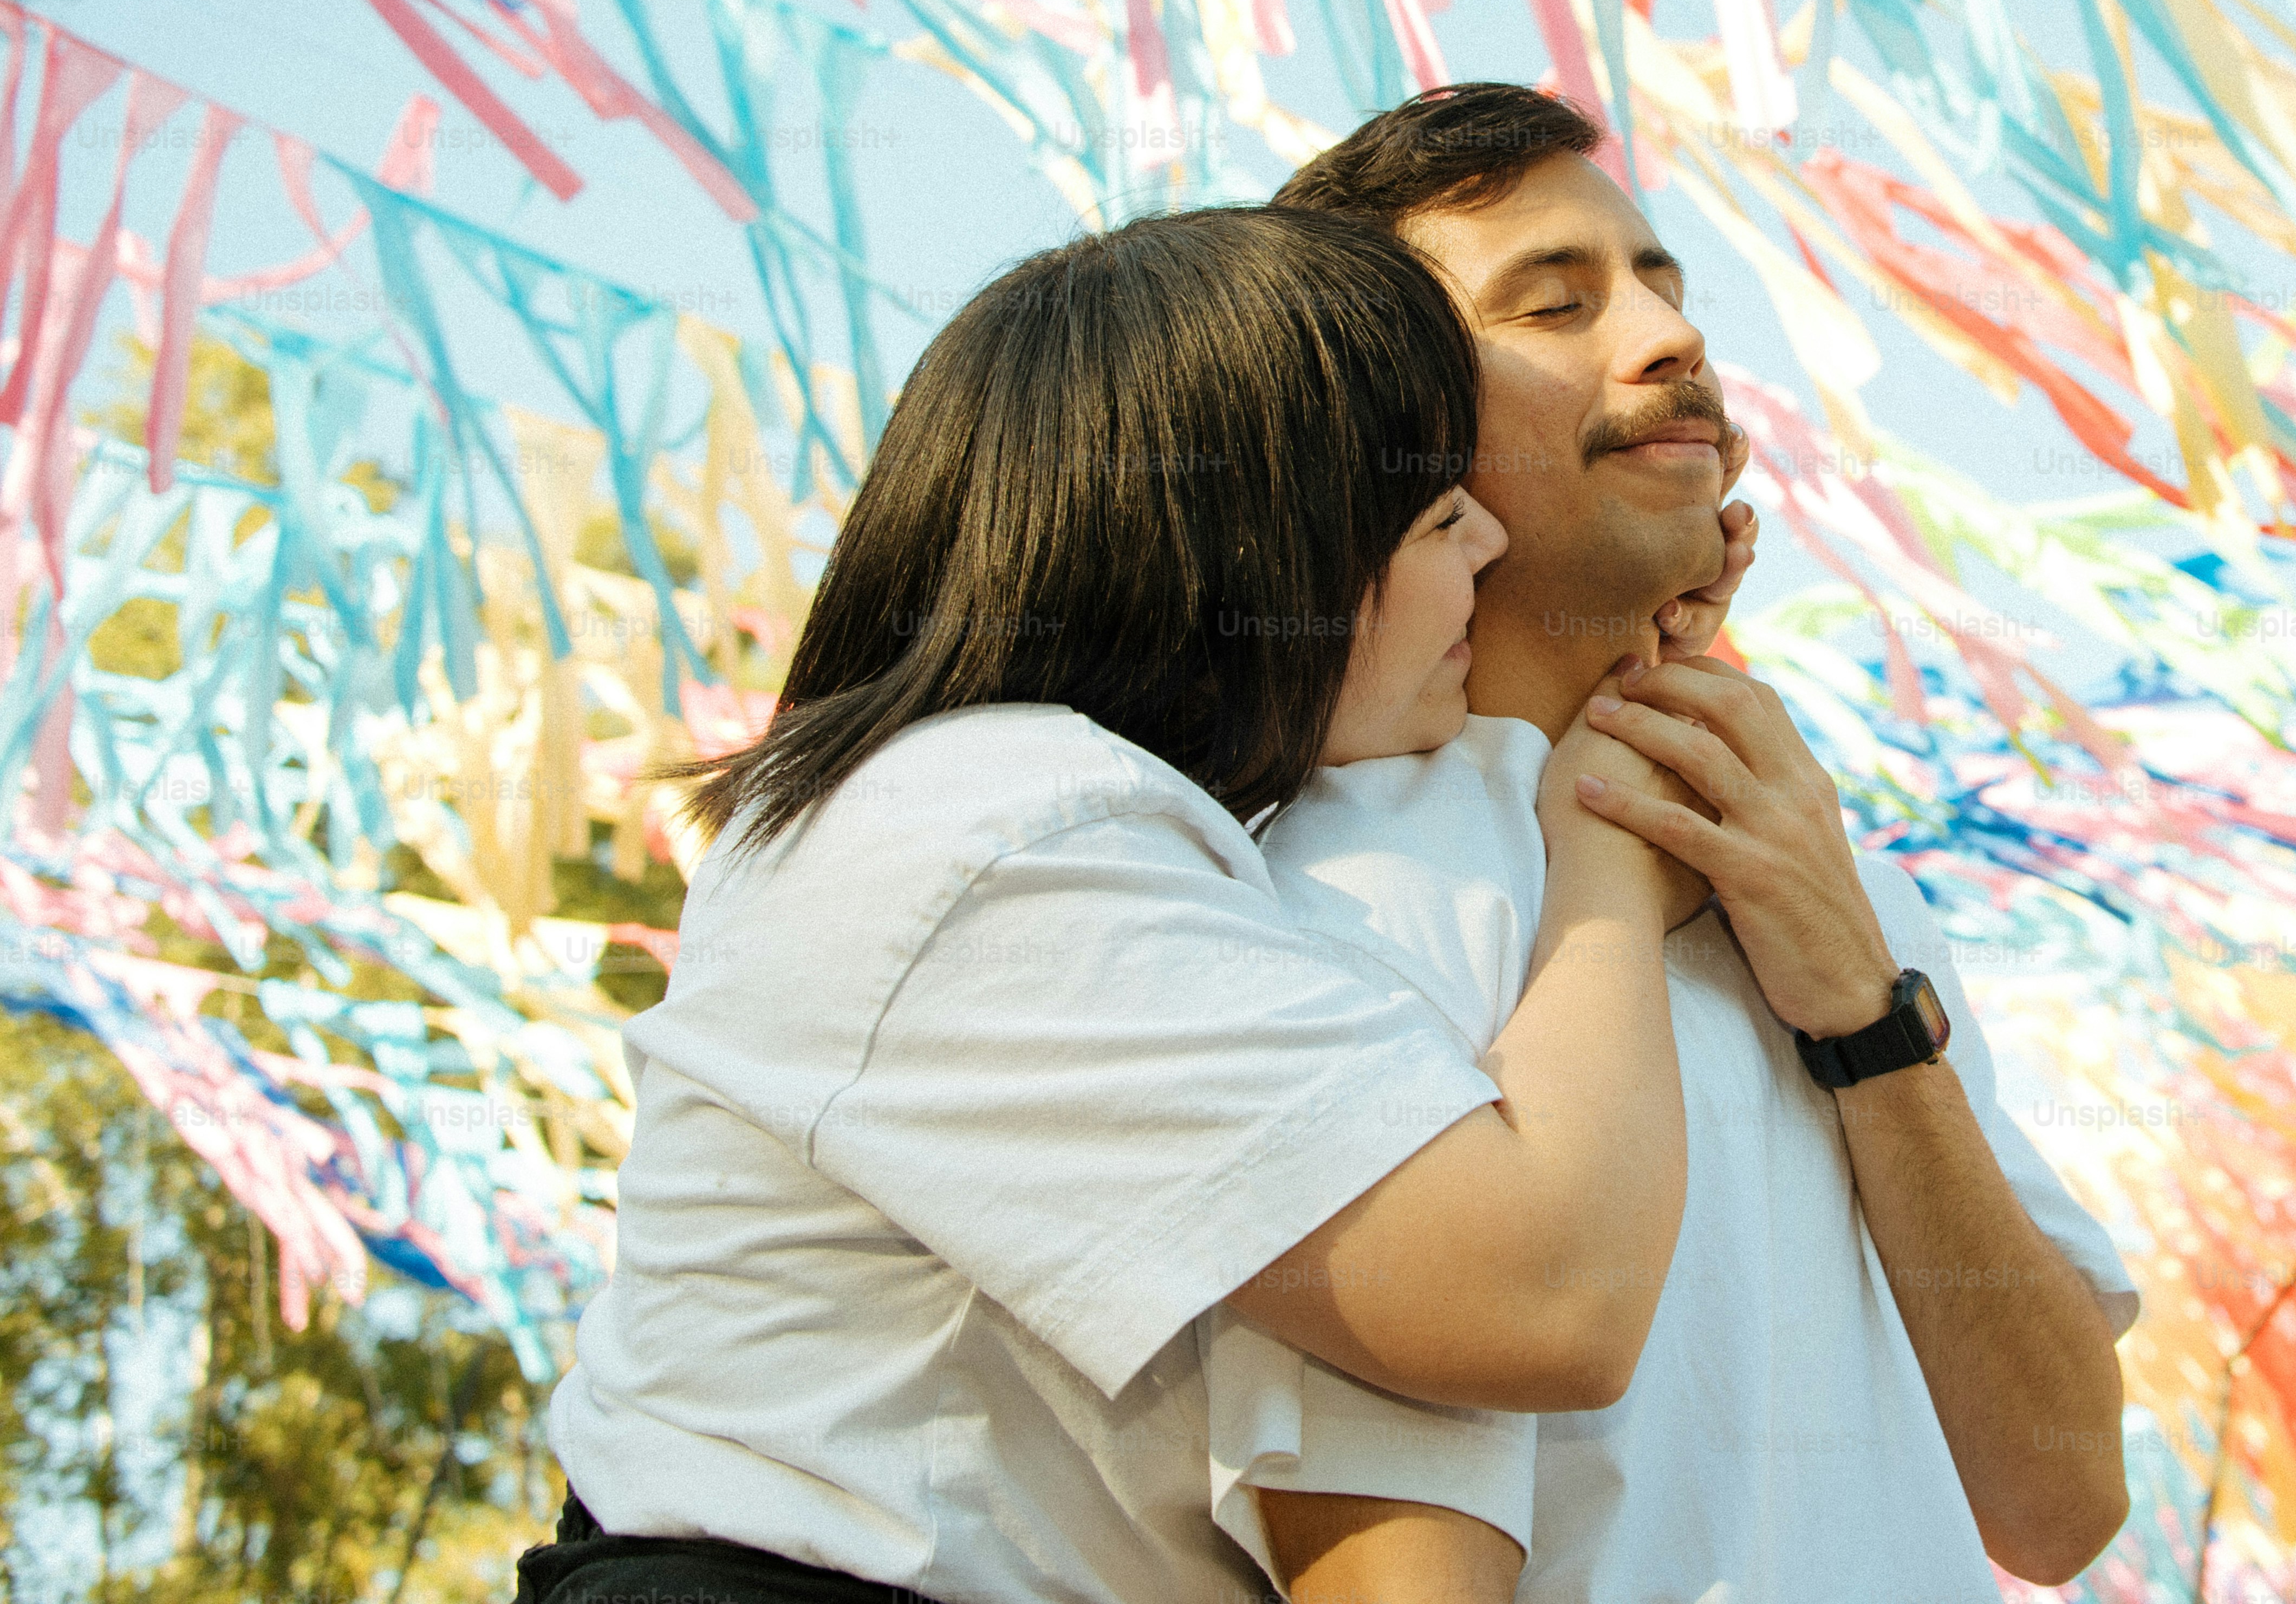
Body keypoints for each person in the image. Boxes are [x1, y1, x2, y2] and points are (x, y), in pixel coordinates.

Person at [518, 206, 1705, 1604]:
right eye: (1440, 512)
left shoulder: (1041, 815)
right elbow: (1550, 1296)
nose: (1491, 543)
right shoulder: (1001, 830)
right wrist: (1612, 838)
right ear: (1266, 555)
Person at [1207, 86, 2138, 1603]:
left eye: (1661, 282)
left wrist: (1867, 1018)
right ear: (1384, 435)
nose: (1669, 337)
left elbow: (2061, 1504)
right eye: (1554, 303)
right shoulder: (1338, 895)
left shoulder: (1831, 879)